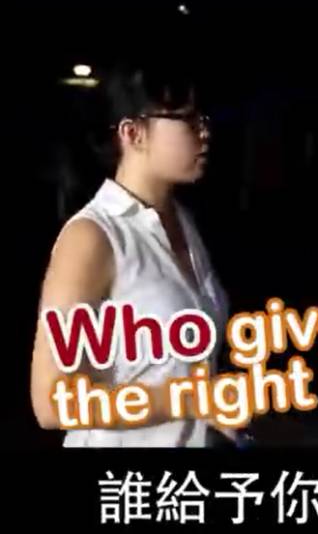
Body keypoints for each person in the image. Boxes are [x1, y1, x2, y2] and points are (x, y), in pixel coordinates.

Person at [30, 59, 246, 447]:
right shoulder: (93, 237)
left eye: (203, 118)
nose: (205, 132)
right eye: (187, 120)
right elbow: (51, 401)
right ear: (133, 133)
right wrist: (190, 398)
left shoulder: (184, 222)